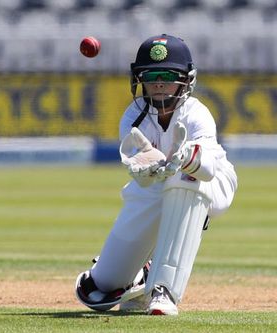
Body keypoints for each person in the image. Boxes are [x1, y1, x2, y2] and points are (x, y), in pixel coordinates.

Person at [75, 34, 238, 316]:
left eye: (167, 75)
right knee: (101, 287)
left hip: (213, 185)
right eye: (151, 76)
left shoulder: (197, 114)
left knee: (185, 179)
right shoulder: (133, 115)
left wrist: (185, 158)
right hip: (152, 187)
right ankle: (139, 277)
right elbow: (140, 173)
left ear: (187, 80)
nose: (159, 83)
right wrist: (153, 165)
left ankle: (163, 290)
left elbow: (208, 170)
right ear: (140, 80)